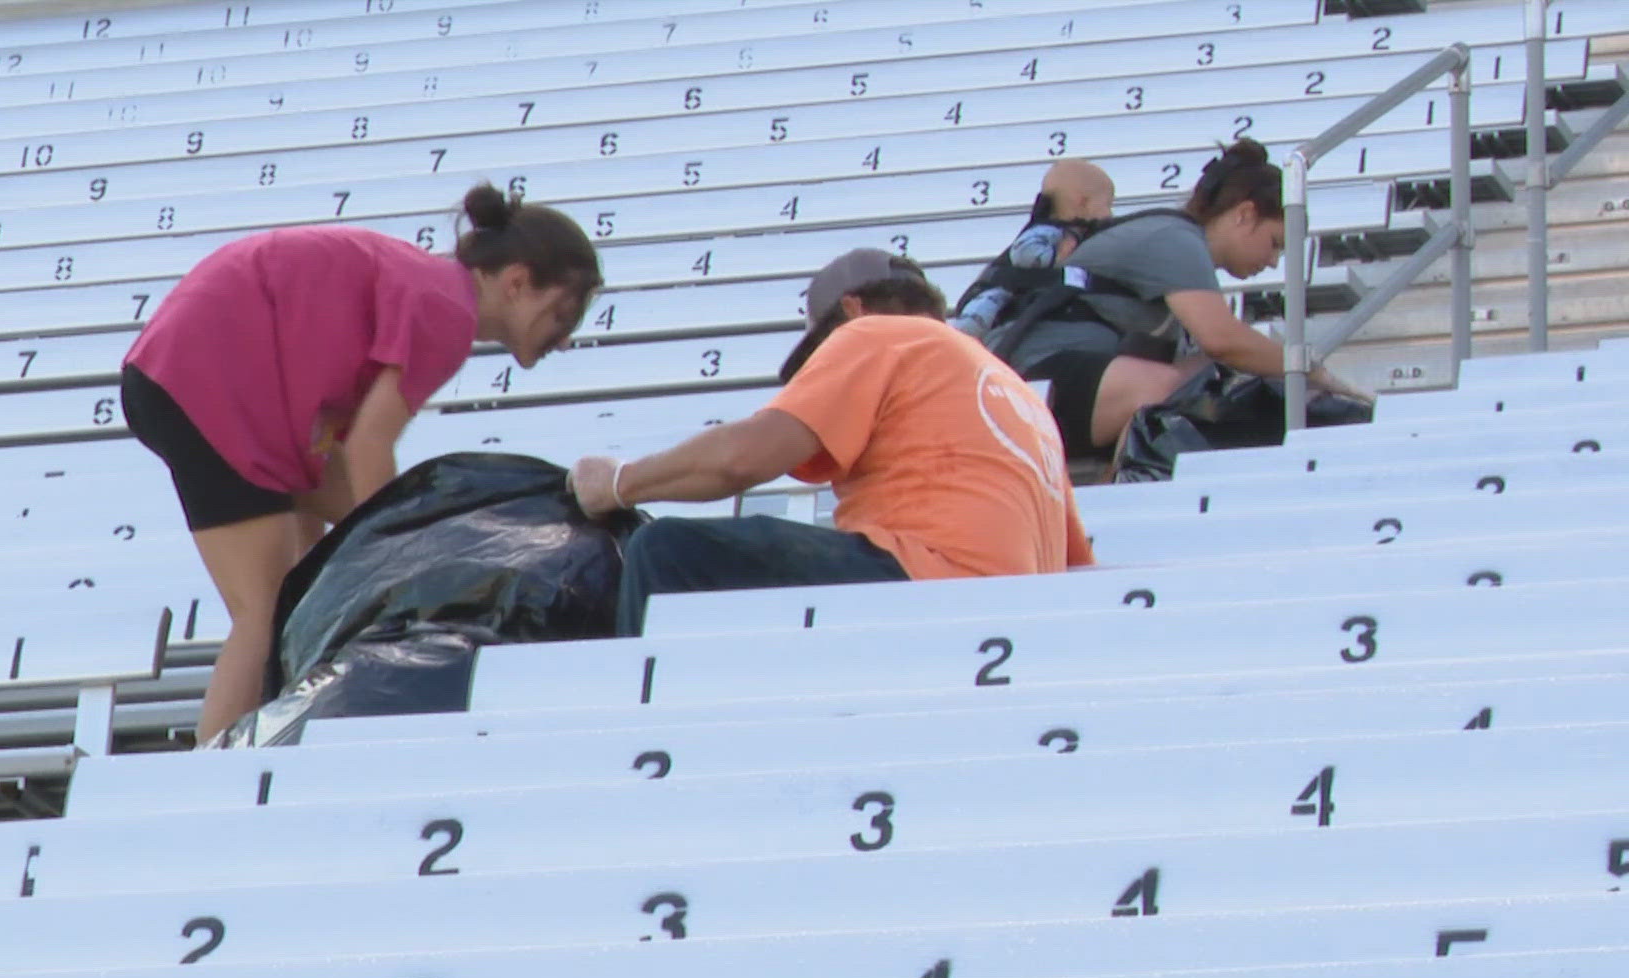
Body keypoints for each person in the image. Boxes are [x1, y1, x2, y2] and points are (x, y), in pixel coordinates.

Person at [121, 183, 601, 744]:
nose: (565, 337)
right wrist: (395, 558)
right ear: (517, 282)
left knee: (302, 593)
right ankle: (213, 774)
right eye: (565, 312)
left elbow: (341, 463)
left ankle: (273, 738)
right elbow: (370, 446)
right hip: (210, 383)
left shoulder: (429, 285)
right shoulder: (447, 311)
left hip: (196, 375)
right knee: (265, 610)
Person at [570, 249, 1093, 636]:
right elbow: (1076, 562)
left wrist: (619, 483)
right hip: (1014, 617)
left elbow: (742, 459)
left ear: (852, 307)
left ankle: (635, 718)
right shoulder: (1016, 392)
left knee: (668, 551)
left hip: (928, 578)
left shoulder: (878, 334)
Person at [990, 138, 1373, 459]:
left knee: (1210, 379)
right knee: (1176, 389)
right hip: (1031, 376)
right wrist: (1307, 368)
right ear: (1245, 214)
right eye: (1274, 244)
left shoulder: (1177, 245)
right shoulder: (1173, 237)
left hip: (1056, 380)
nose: (1272, 262)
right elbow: (1223, 340)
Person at [950, 159, 1116, 343]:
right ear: (1082, 203)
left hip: (1023, 305)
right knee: (980, 316)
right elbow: (1024, 253)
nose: (1110, 214)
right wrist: (1056, 258)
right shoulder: (1048, 230)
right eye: (1108, 205)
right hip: (1002, 294)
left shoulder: (1076, 234)